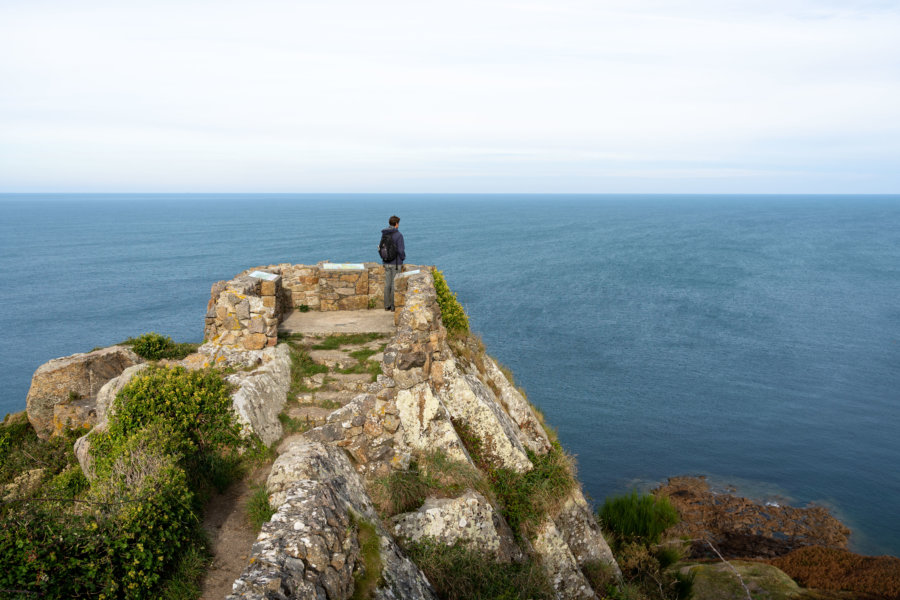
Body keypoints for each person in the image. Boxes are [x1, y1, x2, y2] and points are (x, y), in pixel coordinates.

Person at [379, 215, 405, 311]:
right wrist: (403, 258)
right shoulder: (399, 235)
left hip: (386, 262)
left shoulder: (384, 234)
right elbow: (401, 250)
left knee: (387, 285)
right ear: (396, 224)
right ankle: (393, 307)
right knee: (394, 285)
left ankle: (386, 306)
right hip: (396, 263)